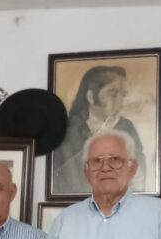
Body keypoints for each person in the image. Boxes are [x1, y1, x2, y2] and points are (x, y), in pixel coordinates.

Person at [53, 66, 147, 195]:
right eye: (113, 94)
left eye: (122, 95)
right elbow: (60, 178)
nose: (121, 102)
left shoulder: (126, 127)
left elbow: (139, 175)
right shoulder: (68, 131)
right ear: (91, 97)